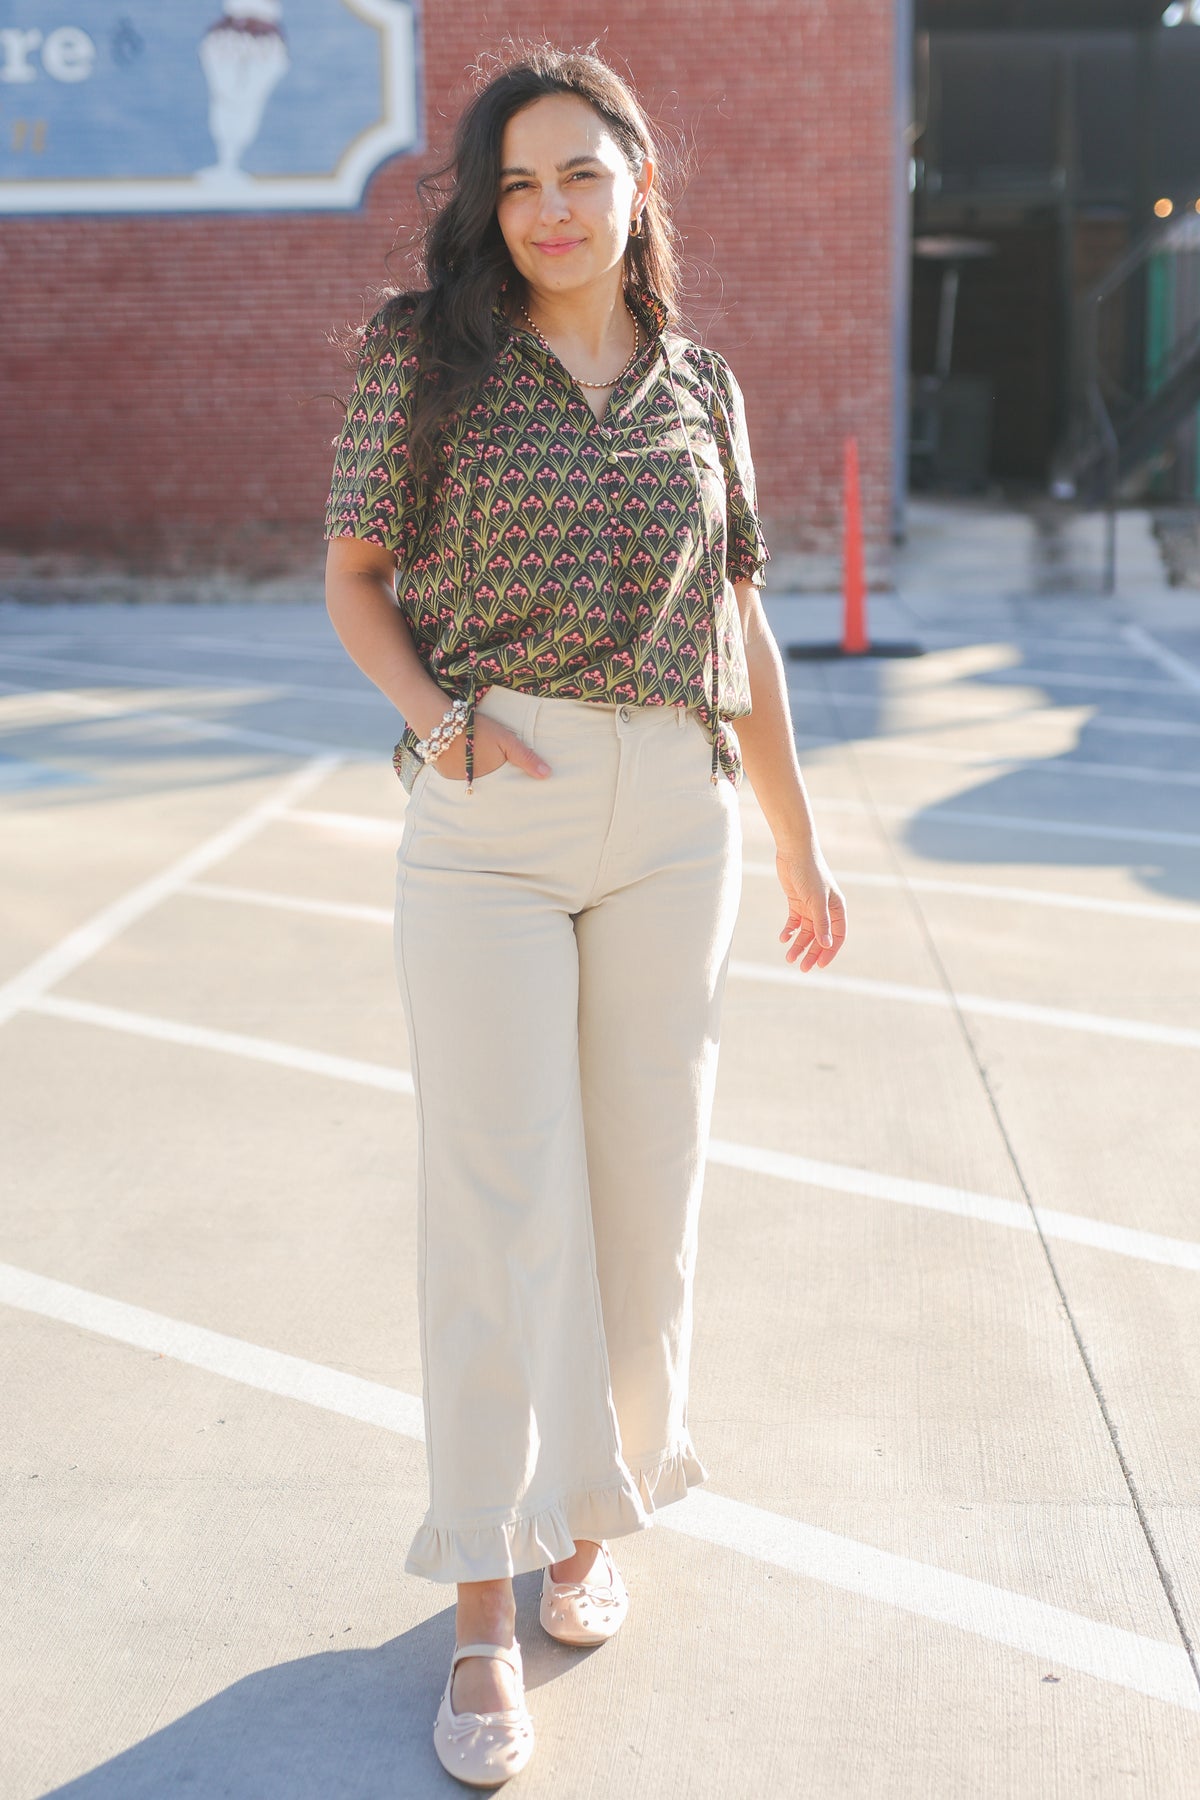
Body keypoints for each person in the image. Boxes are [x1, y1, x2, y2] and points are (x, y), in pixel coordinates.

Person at [323, 43, 847, 1789]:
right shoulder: (430, 354)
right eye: (519, 183)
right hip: (492, 808)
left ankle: (585, 1519)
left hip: (672, 819)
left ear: (638, 188)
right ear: (493, 205)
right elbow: (354, 576)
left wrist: (796, 843)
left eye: (582, 175)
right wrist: (441, 728)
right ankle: (482, 1605)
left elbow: (746, 627)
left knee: (642, 1195)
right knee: (496, 1203)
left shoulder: (704, 380)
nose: (549, 210)